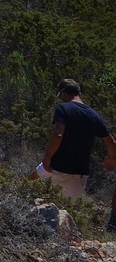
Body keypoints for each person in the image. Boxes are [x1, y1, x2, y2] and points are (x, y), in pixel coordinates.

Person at [42, 78, 116, 227]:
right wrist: (112, 158)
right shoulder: (94, 115)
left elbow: (58, 134)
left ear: (62, 93)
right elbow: (110, 141)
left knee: (45, 210)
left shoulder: (63, 108)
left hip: (58, 167)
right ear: (79, 93)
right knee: (69, 215)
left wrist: (48, 157)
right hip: (80, 173)